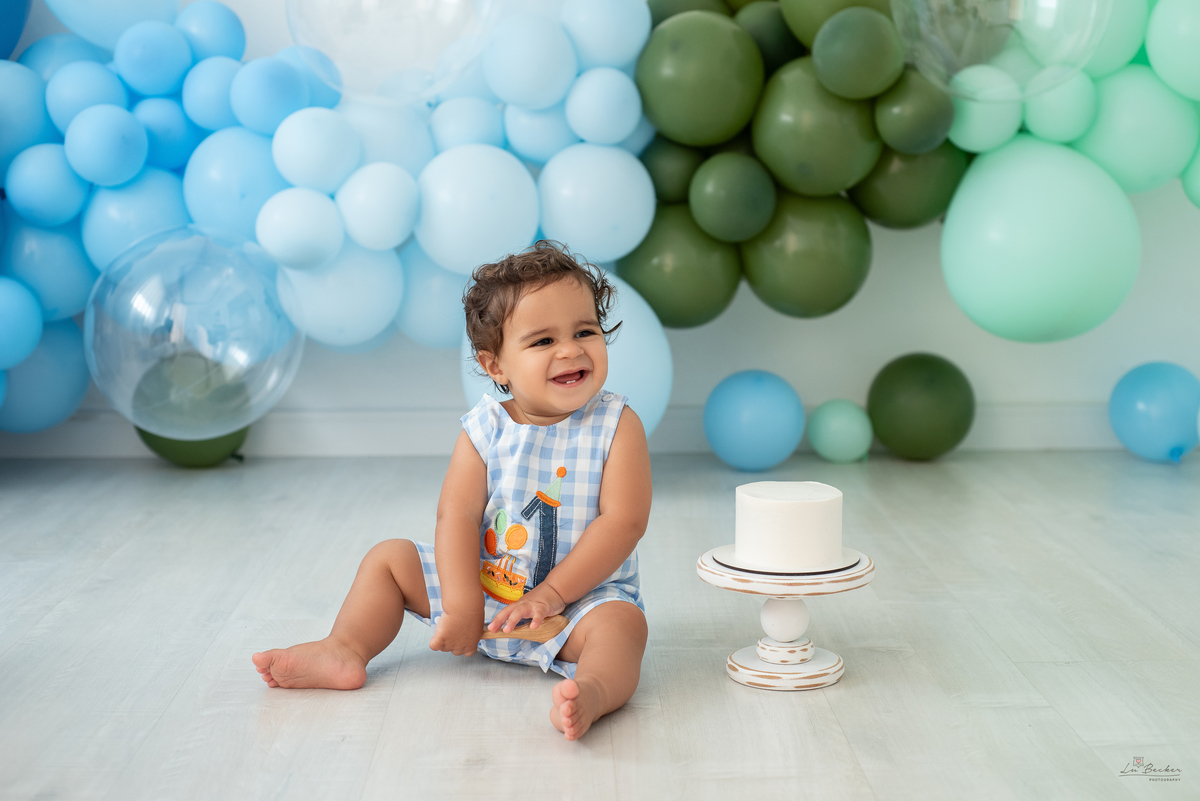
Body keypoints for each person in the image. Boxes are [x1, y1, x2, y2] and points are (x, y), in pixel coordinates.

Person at [251, 241, 652, 741]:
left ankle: (592, 690)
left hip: (577, 606)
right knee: (389, 560)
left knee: (622, 627)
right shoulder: (484, 429)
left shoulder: (617, 424)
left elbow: (624, 522)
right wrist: (462, 605)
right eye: (543, 341)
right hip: (485, 592)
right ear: (496, 366)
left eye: (585, 331)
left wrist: (551, 597)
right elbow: (456, 516)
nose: (570, 350)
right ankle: (345, 648)